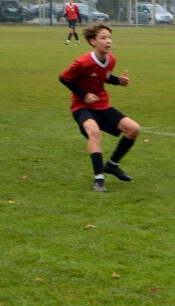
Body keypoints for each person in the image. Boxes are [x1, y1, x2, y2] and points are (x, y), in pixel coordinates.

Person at [59, 22, 140, 192]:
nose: (108, 41)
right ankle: (98, 179)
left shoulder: (111, 60)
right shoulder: (82, 62)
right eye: (103, 38)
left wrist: (118, 81)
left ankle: (112, 165)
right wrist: (84, 95)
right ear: (92, 41)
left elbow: (105, 76)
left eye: (110, 37)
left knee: (133, 129)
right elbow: (64, 78)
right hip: (82, 107)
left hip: (103, 106)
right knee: (94, 133)